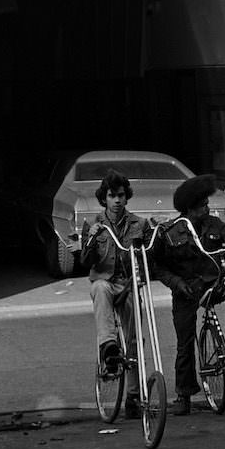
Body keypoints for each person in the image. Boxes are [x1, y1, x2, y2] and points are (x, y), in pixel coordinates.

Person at [151, 174, 225, 416]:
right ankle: (183, 394)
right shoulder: (171, 232)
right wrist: (176, 283)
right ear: (190, 208)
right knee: (184, 341)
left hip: (213, 285)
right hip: (185, 290)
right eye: (203, 205)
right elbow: (159, 267)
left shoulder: (215, 225)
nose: (207, 208)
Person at [82, 169, 150, 420]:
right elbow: (85, 262)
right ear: (104, 198)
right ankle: (108, 347)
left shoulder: (139, 224)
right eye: (112, 196)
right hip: (105, 282)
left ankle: (133, 395)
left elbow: (147, 256)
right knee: (99, 288)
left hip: (127, 283)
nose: (117, 200)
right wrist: (90, 240)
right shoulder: (93, 224)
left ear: (126, 197)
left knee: (134, 339)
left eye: (121, 195)